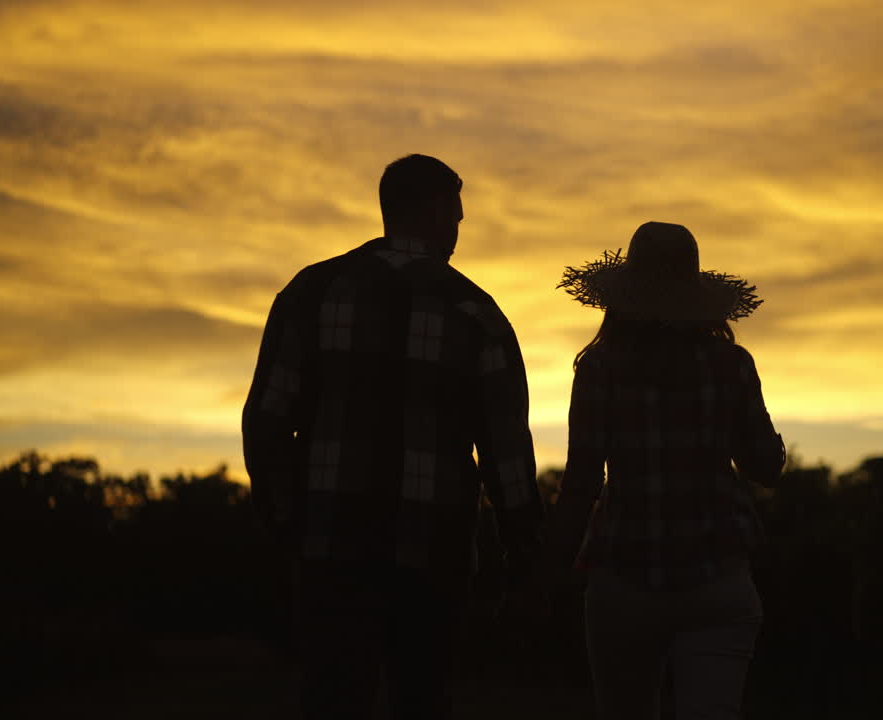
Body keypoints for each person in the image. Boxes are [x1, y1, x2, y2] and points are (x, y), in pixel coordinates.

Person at [242, 154, 544, 719]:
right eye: (456, 218)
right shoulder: (476, 312)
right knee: (422, 698)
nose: (457, 234)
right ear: (434, 211)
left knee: (333, 697)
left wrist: (284, 518)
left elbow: (267, 417)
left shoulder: (311, 292)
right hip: (434, 552)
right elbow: (505, 452)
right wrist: (524, 547)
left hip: (329, 545)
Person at [546, 221, 785, 720]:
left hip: (624, 580)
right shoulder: (731, 364)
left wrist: (547, 570)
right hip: (717, 579)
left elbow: (582, 484)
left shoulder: (599, 367)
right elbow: (765, 466)